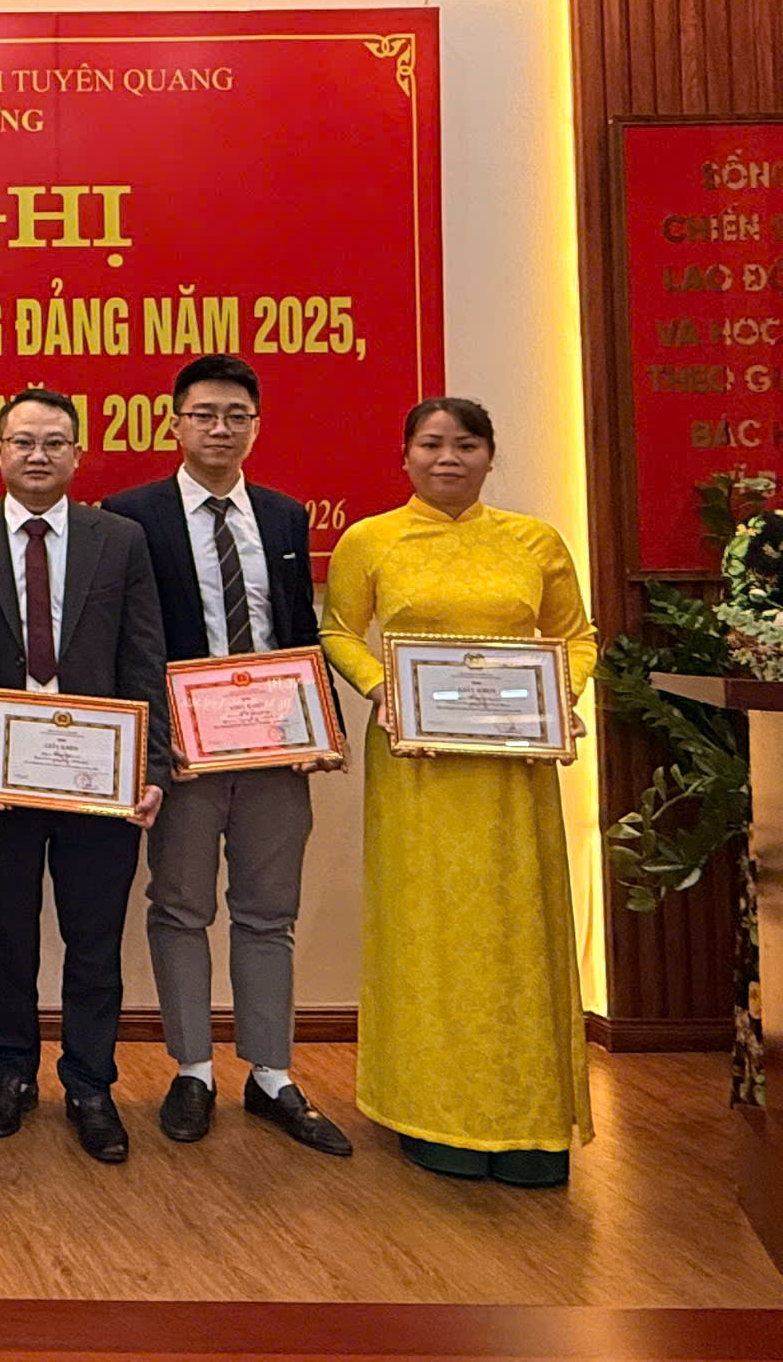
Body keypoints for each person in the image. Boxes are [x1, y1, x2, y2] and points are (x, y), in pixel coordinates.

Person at [320, 397, 597, 1188]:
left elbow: (576, 637)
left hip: (513, 772)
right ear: (405, 455)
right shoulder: (371, 539)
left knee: (520, 930)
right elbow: (339, 631)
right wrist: (383, 688)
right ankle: (432, 1114)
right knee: (427, 931)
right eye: (432, 443)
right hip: (420, 767)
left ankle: (530, 1120)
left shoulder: (535, 541)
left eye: (467, 444)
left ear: (490, 455)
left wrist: (557, 698)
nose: (449, 457)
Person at [104, 354, 349, 1157]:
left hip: (275, 747)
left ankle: (271, 1072)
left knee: (269, 911)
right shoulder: (132, 517)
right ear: (174, 424)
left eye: (236, 416)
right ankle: (193, 1069)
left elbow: (297, 630)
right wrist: (152, 744)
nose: (220, 428)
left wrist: (323, 724)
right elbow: (128, 643)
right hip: (183, 753)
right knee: (180, 908)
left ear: (256, 425)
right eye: (204, 414)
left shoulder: (281, 516)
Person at [0, 387, 170, 1164]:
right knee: (7, 932)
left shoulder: (121, 540)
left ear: (78, 454)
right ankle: (10, 1074)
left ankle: (90, 1084)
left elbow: (144, 656)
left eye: (53, 442)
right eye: (23, 442)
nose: (37, 455)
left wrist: (152, 765)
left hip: (99, 780)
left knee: (94, 937)